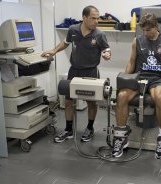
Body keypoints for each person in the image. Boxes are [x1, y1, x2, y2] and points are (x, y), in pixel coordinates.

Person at [112, 13, 161, 159]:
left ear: (155, 27)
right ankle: (121, 137)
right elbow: (131, 62)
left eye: (148, 30)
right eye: (143, 30)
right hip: (140, 77)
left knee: (160, 97)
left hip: (157, 78)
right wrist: (124, 80)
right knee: (122, 96)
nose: (145, 33)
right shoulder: (137, 41)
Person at [42, 5, 111, 143]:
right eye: (93, 18)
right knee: (68, 101)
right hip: (74, 71)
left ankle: (90, 128)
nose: (96, 21)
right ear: (84, 18)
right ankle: (68, 130)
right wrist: (54, 51)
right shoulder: (73, 30)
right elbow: (66, 43)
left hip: (91, 72)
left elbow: (106, 49)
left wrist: (107, 54)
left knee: (91, 102)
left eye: (98, 18)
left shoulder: (99, 34)